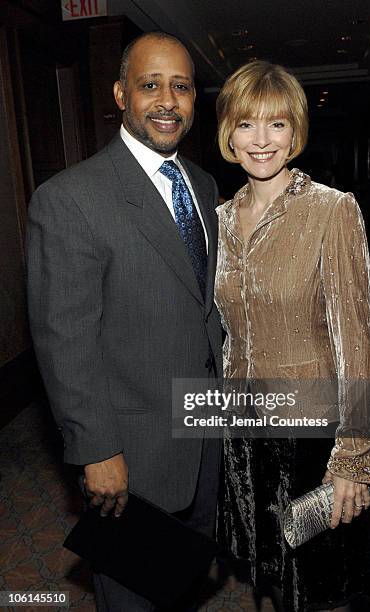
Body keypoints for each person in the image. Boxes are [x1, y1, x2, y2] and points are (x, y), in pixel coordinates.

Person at [26, 32, 223, 611]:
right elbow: (65, 338)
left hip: (205, 433)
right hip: (130, 449)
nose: (167, 100)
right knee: (135, 594)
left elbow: (203, 308)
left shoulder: (204, 184)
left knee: (185, 577)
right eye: (150, 84)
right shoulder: (70, 199)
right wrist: (95, 448)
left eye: (181, 87)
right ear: (120, 94)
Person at [214, 60, 370, 611]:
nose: (261, 140)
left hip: (313, 437)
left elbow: (355, 340)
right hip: (243, 435)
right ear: (227, 133)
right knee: (275, 583)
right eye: (246, 124)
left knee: (323, 589)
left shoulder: (332, 211)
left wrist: (353, 456)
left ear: (296, 132)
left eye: (277, 124)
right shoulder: (216, 220)